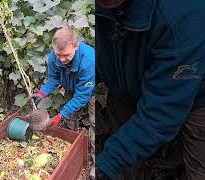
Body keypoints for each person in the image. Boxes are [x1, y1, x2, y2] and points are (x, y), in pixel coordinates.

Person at [96, 0, 205, 179]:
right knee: (121, 161)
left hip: (196, 91)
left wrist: (106, 164)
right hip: (126, 82)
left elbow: (163, 113)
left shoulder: (181, 16)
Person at [30, 28, 96, 178]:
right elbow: (54, 78)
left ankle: (96, 161)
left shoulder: (89, 60)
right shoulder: (54, 56)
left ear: (76, 46)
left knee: (94, 124)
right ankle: (72, 150)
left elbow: (81, 97)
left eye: (66, 55)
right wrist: (42, 93)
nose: (61, 59)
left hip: (91, 91)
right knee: (70, 119)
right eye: (58, 55)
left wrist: (59, 116)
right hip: (70, 87)